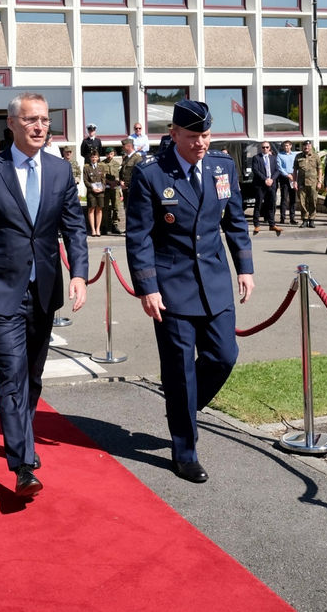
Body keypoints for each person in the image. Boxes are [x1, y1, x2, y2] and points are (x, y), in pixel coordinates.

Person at [0, 92, 89, 498]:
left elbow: (74, 227)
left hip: (44, 289)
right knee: (11, 373)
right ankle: (22, 465)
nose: (39, 127)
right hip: (1, 290)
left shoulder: (60, 170)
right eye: (31, 120)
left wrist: (79, 273)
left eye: (44, 120)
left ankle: (22, 435)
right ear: (12, 123)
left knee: (32, 375)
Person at [125, 99, 253, 484]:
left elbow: (235, 221)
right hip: (171, 285)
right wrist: (147, 287)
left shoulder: (221, 167)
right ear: (174, 134)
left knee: (224, 355)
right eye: (193, 136)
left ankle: (182, 405)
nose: (201, 143)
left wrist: (245, 268)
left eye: (206, 135)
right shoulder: (151, 173)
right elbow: (139, 236)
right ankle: (185, 452)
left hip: (214, 280)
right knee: (180, 369)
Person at [250, 141, 282, 236]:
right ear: (261, 148)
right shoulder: (256, 158)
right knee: (258, 204)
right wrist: (265, 179)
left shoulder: (273, 158)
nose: (265, 149)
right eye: (263, 147)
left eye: (267, 147)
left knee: (271, 204)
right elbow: (255, 170)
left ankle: (272, 224)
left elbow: (277, 170)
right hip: (260, 185)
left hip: (271, 184)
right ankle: (256, 224)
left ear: (269, 148)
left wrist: (272, 179)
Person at [295, 140, 320, 228]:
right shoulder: (298, 156)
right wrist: (294, 182)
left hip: (313, 183)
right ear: (303, 147)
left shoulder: (316, 156)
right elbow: (295, 170)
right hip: (301, 183)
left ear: (311, 146)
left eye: (308, 146)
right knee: (302, 202)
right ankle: (305, 220)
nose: (306, 147)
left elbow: (320, 169)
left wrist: (319, 181)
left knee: (313, 201)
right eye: (305, 146)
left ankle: (312, 220)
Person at [82, 150, 106, 236]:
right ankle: (93, 229)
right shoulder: (86, 168)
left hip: (100, 191)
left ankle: (98, 229)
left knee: (99, 210)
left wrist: (102, 188)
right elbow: (85, 180)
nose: (94, 158)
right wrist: (92, 188)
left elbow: (104, 180)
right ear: (90, 158)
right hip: (91, 192)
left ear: (98, 158)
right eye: (92, 157)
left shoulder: (101, 167)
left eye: (95, 157)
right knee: (91, 209)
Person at [102, 147, 124, 234]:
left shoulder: (117, 164)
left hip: (115, 188)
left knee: (116, 207)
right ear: (105, 154)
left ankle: (115, 225)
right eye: (108, 154)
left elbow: (120, 176)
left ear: (114, 154)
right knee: (105, 208)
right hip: (106, 188)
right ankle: (104, 226)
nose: (110, 156)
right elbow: (101, 176)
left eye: (111, 154)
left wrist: (115, 183)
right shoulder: (101, 164)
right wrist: (109, 182)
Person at [276, 140, 297, 225]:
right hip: (284, 178)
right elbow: (279, 167)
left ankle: (292, 218)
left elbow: (297, 166)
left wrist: (294, 176)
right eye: (285, 146)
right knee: (284, 198)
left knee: (293, 199)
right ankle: (282, 218)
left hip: (293, 177)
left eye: (287, 145)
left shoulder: (295, 155)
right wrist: (287, 175)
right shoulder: (280, 155)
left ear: (291, 146)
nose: (286, 147)